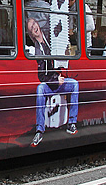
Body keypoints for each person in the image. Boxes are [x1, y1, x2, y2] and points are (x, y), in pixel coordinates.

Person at [27, 17, 78, 146]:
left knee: (74, 84)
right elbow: (41, 76)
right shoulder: (36, 49)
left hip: (60, 79)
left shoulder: (51, 39)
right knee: (40, 89)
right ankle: (40, 129)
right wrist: (56, 80)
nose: (34, 27)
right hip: (51, 83)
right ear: (31, 34)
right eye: (30, 27)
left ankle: (71, 123)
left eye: (34, 24)